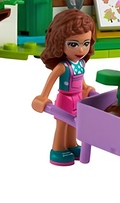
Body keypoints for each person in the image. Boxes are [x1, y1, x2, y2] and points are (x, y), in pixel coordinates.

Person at [31, 9, 96, 166]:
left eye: (86, 43)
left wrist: (85, 87)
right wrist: (43, 97)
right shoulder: (62, 67)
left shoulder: (80, 63)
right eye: (73, 44)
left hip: (78, 98)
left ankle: (71, 144)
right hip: (65, 100)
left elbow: (80, 79)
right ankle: (58, 149)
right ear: (60, 43)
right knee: (62, 124)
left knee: (76, 123)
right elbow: (50, 81)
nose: (81, 50)